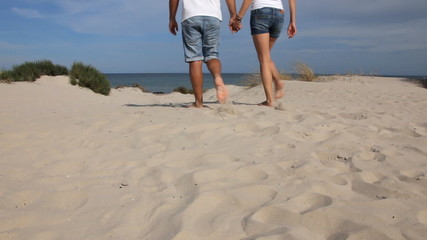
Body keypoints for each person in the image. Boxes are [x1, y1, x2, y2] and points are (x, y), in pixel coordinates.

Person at [169, 0, 238, 108]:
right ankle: (217, 77)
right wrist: (233, 15)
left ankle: (198, 102)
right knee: (212, 55)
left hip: (191, 16)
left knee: (195, 59)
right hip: (213, 15)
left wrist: (172, 18)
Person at [231, 0, 296, 107]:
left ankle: (270, 100)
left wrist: (238, 18)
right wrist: (292, 21)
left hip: (261, 12)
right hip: (279, 14)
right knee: (266, 55)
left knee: (263, 59)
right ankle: (277, 81)